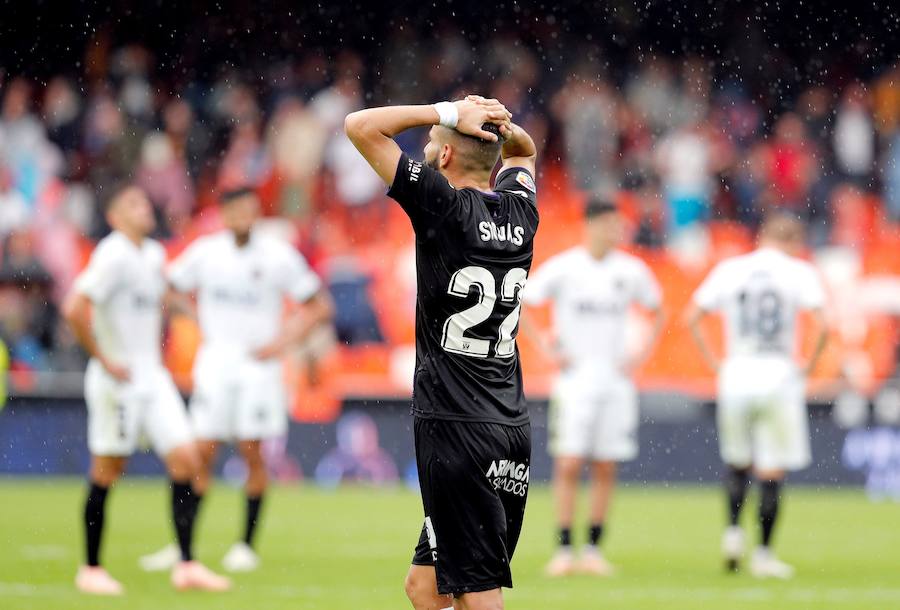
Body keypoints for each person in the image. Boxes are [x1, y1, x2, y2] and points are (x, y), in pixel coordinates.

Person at [345, 95, 538, 610]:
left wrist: (448, 112)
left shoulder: (442, 205)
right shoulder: (522, 211)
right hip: (508, 428)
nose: (429, 147)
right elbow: (523, 153)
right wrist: (500, 125)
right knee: (425, 587)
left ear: (448, 158)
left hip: (455, 429)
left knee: (476, 590)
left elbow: (360, 127)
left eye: (434, 144)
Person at [139, 187, 333, 573]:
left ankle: (245, 544)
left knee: (252, 453)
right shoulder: (207, 252)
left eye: (247, 210)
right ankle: (184, 547)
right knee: (200, 453)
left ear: (256, 213)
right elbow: (169, 288)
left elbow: (319, 305)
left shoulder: (277, 255)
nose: (241, 218)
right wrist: (193, 318)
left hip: (258, 368)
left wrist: (282, 342)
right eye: (233, 211)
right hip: (216, 363)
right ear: (224, 215)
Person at [62, 185, 230, 595]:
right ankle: (91, 568)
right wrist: (103, 358)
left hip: (153, 377)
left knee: (187, 460)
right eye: (133, 204)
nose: (144, 207)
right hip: (117, 380)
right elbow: (74, 308)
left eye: (144, 200)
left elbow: (164, 297)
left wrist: (196, 315)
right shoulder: (112, 254)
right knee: (108, 471)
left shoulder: (152, 254)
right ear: (116, 217)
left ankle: (186, 564)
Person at [522, 200, 664, 577]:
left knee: (605, 464)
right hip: (574, 379)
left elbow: (658, 310)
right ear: (590, 225)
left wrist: (641, 354)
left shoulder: (631, 271)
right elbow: (523, 303)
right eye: (608, 224)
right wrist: (546, 349)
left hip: (616, 381)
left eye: (618, 225)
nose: (614, 231)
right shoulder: (566, 268)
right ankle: (564, 548)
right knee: (569, 462)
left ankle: (593, 549)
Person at [686, 211, 828, 579]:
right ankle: (763, 553)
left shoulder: (732, 269)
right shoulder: (799, 272)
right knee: (771, 469)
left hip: (737, 371)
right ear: (795, 241)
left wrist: (716, 363)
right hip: (779, 373)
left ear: (762, 236)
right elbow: (823, 325)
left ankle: (733, 534)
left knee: (737, 461)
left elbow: (692, 317)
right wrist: (808, 366)